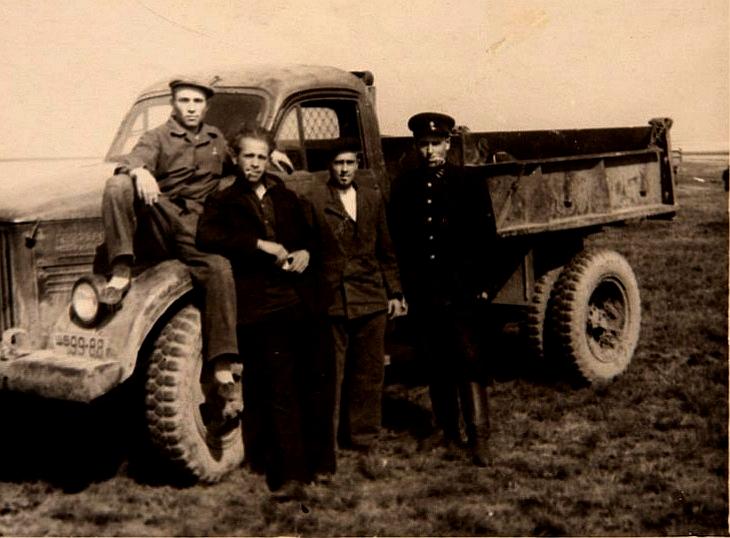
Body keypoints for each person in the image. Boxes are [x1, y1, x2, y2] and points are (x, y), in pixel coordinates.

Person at [196, 124, 335, 498]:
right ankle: (291, 474)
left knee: (314, 381)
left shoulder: (283, 194)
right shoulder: (223, 200)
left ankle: (320, 463)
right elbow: (207, 237)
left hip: (300, 301)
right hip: (261, 307)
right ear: (235, 158)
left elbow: (311, 237)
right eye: (248, 156)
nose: (255, 164)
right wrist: (259, 244)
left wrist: (304, 253)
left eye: (261, 156)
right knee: (279, 388)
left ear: (269, 158)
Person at [388, 112, 494, 466]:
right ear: (415, 146)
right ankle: (447, 431)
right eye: (424, 144)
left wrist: (482, 284)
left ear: (448, 144)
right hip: (424, 290)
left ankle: (479, 437)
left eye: (436, 143)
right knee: (435, 361)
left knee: (469, 359)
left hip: (461, 290)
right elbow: (399, 240)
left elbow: (485, 237)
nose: (430, 151)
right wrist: (404, 288)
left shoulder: (469, 181)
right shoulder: (404, 186)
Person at [306, 146, 407, 452]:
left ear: (358, 164)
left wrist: (394, 292)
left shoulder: (371, 198)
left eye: (350, 162)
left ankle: (364, 438)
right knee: (329, 374)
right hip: (333, 299)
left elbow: (386, 249)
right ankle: (326, 442)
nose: (344, 169)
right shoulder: (314, 200)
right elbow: (307, 251)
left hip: (370, 296)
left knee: (369, 372)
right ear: (329, 166)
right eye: (338, 163)